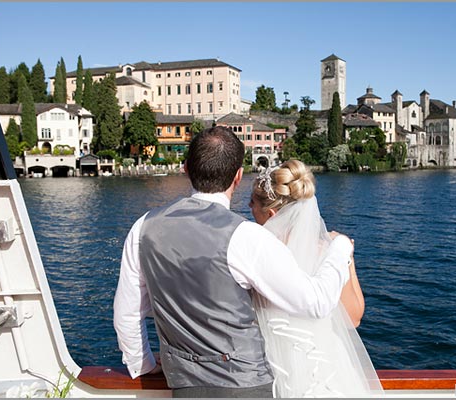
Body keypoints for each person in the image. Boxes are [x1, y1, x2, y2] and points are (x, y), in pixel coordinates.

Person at [113, 126, 354, 398]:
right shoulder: (246, 236)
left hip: (184, 386)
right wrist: (340, 248)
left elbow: (127, 313)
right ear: (238, 177)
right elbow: (316, 302)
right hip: (247, 386)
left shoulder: (142, 228)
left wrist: (141, 363)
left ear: (186, 169)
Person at [248, 160, 385, 397]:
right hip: (327, 366)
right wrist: (347, 260)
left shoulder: (253, 254)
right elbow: (353, 318)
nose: (248, 208)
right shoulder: (328, 251)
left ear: (270, 214)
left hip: (269, 367)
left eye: (252, 203)